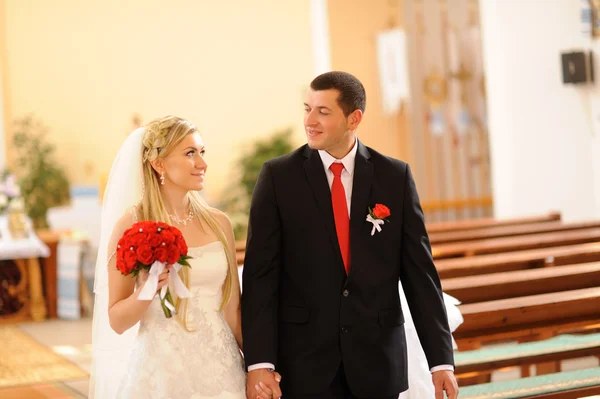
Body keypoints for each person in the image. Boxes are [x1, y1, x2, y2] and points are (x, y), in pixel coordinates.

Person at [241, 71, 459, 399]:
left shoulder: (394, 176)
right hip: (304, 363)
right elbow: (260, 276)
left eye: (323, 111)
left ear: (353, 118)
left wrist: (441, 362)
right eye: (307, 108)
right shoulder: (278, 178)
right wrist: (259, 362)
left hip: (377, 362)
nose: (309, 121)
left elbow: (420, 275)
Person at [89, 116, 256, 398]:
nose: (202, 163)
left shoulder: (219, 223)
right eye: (190, 153)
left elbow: (232, 308)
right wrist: (146, 291)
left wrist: (256, 366)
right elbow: (117, 321)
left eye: (202, 152)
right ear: (159, 163)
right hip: (164, 370)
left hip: (222, 368)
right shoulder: (130, 226)